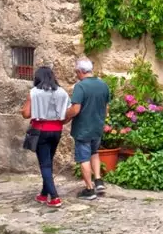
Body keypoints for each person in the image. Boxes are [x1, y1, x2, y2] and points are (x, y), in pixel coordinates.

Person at [20, 66, 69, 207]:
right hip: (57, 131)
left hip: (40, 130)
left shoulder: (34, 92)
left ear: (38, 78)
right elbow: (67, 111)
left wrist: (25, 107)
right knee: (48, 162)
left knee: (45, 164)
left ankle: (54, 197)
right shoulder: (62, 92)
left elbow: (26, 114)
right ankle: (43, 194)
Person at [66, 58, 110, 200]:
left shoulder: (81, 86)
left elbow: (76, 109)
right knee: (94, 152)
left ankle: (89, 190)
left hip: (83, 128)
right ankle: (98, 181)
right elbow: (106, 108)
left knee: (83, 158)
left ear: (80, 71)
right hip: (97, 126)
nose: (76, 74)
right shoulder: (103, 85)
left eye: (76, 72)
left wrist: (65, 117)